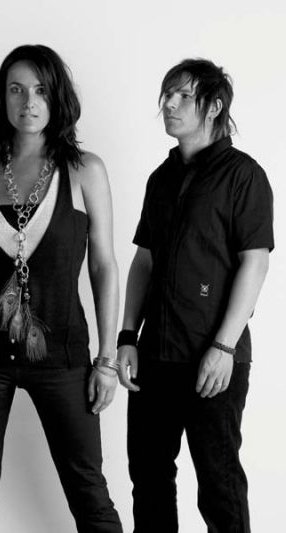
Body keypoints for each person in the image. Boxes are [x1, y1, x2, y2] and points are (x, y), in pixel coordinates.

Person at [0, 44, 123, 532]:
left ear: (57, 98)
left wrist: (106, 360)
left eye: (40, 90)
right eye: (16, 90)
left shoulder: (84, 170)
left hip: (62, 357)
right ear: (2, 99)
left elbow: (104, 266)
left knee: (89, 493)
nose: (28, 102)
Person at [117, 58, 274, 532]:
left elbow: (255, 262)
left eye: (184, 95)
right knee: (148, 479)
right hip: (155, 356)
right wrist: (127, 336)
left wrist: (224, 346)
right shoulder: (160, 178)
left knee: (219, 484)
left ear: (214, 106)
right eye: (167, 94)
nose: (169, 103)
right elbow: (144, 261)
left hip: (214, 357)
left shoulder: (243, 175)